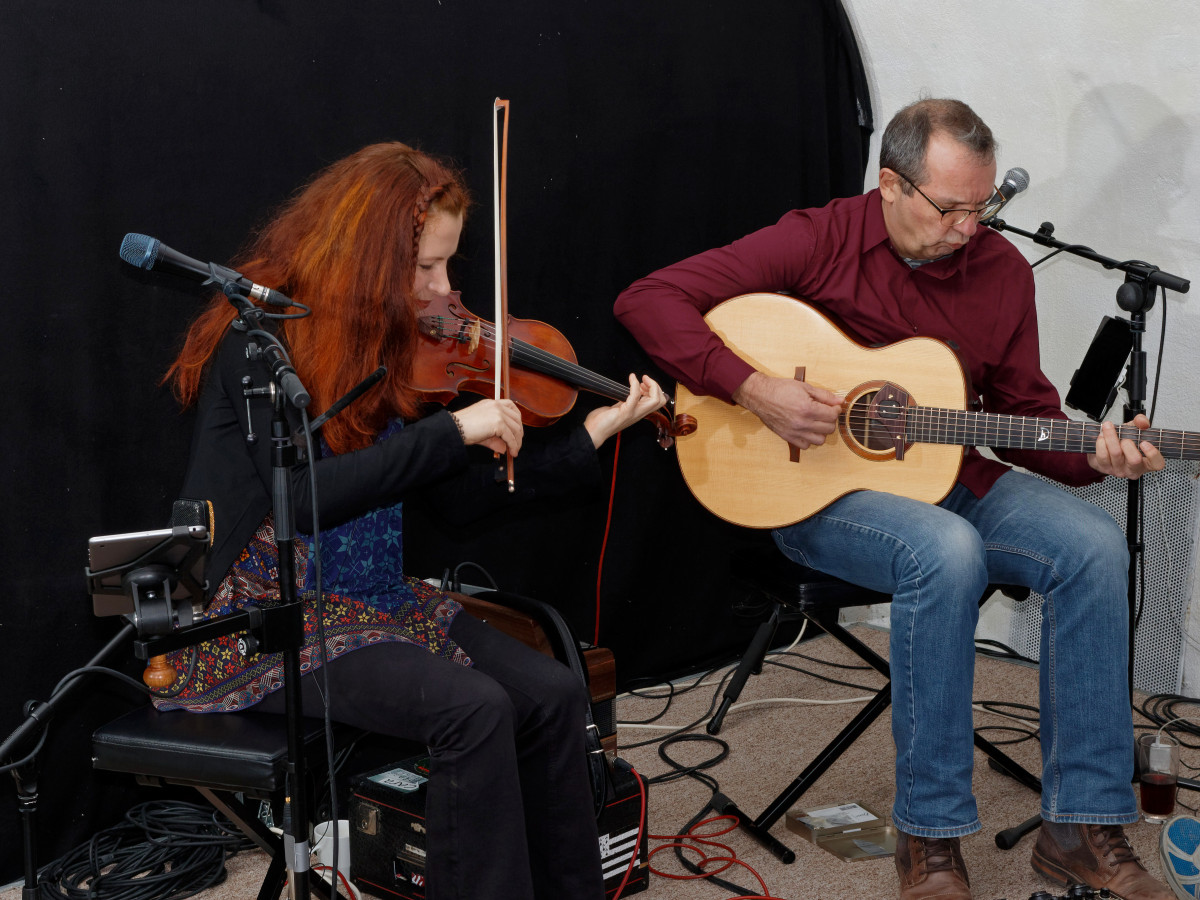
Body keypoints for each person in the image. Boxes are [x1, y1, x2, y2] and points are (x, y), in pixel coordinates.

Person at [614, 98, 1171, 900]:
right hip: (814, 495)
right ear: (891, 185)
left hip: (949, 479)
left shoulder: (1001, 272)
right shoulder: (819, 238)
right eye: (949, 209)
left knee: (1092, 546)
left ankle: (1079, 829)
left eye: (983, 207)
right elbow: (647, 299)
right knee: (945, 550)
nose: (968, 229)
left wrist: (1097, 458)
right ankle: (930, 836)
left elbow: (1023, 419)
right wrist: (753, 387)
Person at [155, 142, 666, 900]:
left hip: (375, 603)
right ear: (367, 259)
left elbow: (457, 502)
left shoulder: (400, 346)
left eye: (449, 265)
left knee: (554, 692)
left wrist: (586, 437)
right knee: (473, 710)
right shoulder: (260, 343)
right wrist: (452, 432)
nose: (445, 289)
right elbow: (305, 497)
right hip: (264, 619)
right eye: (426, 266)